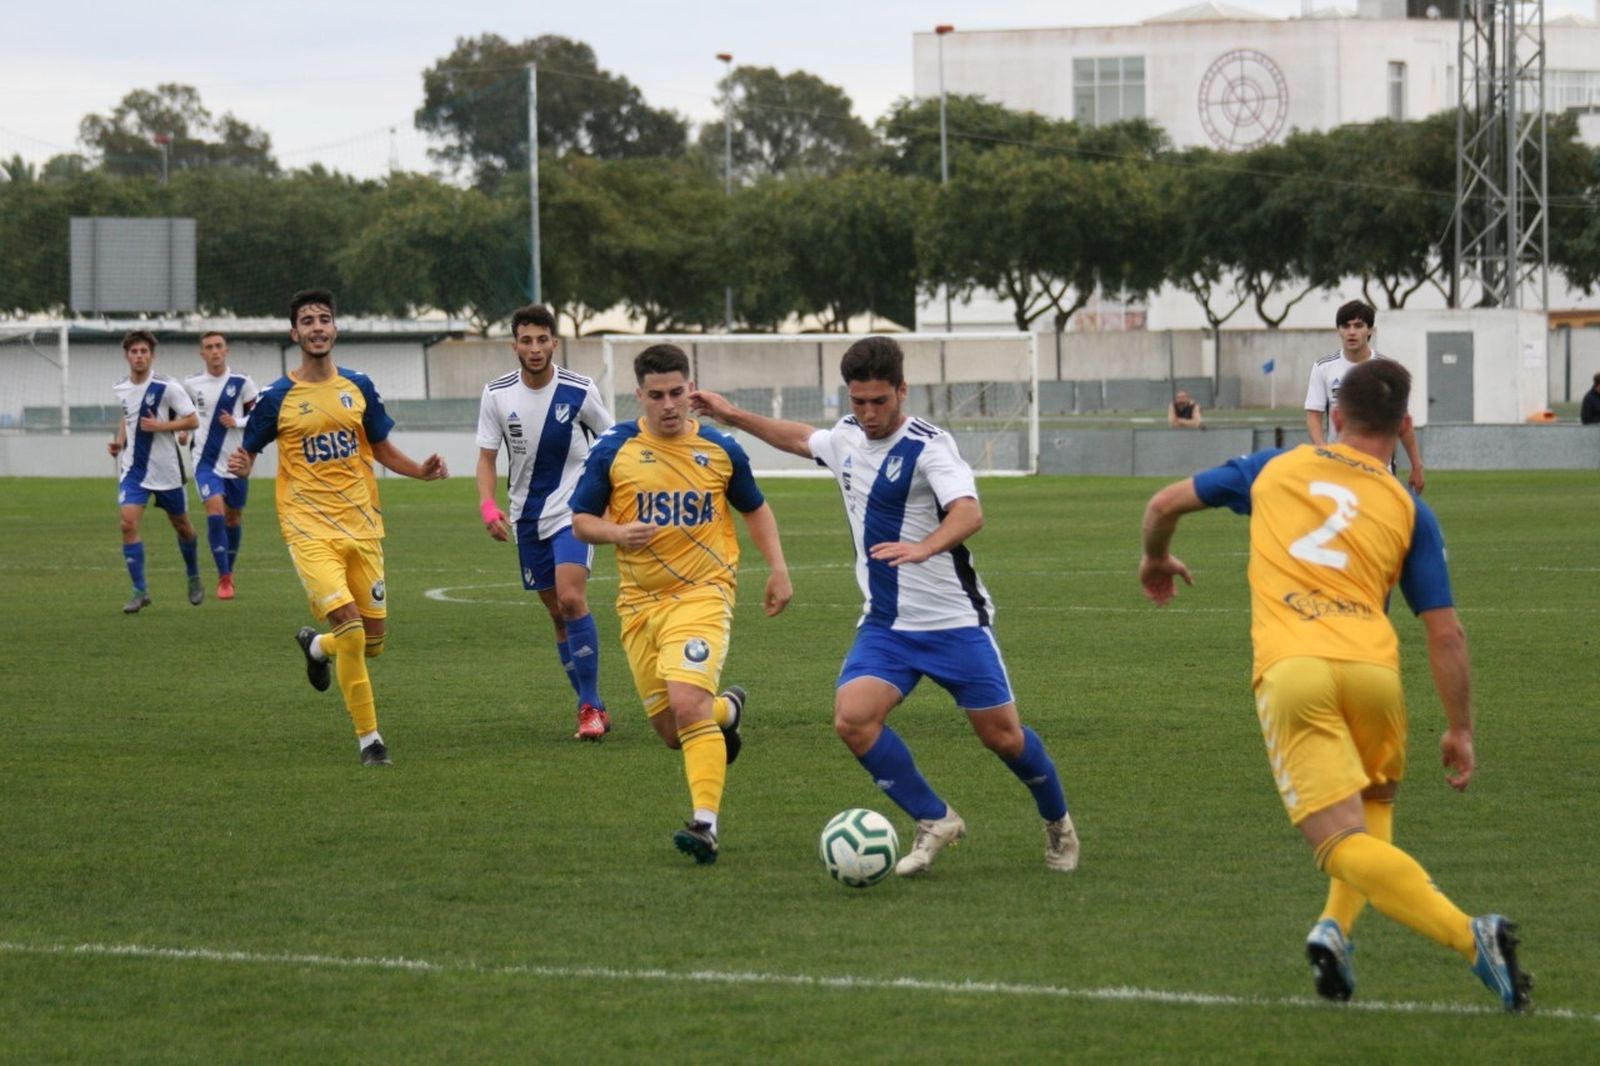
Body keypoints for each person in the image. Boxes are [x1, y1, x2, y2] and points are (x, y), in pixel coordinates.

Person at [1138, 358, 1531, 1012]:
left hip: (1295, 670)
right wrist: (1460, 728)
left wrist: (1155, 555)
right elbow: (1447, 634)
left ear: (1336, 417)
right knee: (1371, 807)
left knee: (1339, 843)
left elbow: (1162, 505)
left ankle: (1472, 937)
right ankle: (1336, 930)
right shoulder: (1410, 509)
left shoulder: (1275, 466)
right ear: (1405, 425)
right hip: (1374, 674)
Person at [690, 336, 1078, 877]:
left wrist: (924, 546)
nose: (869, 414)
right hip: (887, 625)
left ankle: (1057, 820)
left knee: (1003, 737)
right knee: (853, 720)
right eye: (858, 402)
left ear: (902, 391)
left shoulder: (930, 447)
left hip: (954, 623)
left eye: (879, 402)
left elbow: (969, 513)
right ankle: (934, 818)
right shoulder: (847, 436)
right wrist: (732, 415)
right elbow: (803, 439)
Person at [570, 344, 792, 864]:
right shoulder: (614, 449)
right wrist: (618, 531)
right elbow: (582, 520)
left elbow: (755, 508)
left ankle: (705, 825)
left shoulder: (720, 450)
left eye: (677, 394)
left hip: (703, 594)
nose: (669, 405)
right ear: (639, 395)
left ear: (691, 390)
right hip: (639, 605)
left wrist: (779, 568)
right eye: (657, 396)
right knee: (673, 732)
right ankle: (727, 710)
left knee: (688, 706)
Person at [228, 289, 448, 767]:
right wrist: (242, 465)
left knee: (373, 642)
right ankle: (371, 741)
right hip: (307, 528)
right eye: (307, 321)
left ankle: (316, 646)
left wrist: (420, 471)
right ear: (294, 334)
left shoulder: (359, 386)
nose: (316, 327)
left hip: (363, 525)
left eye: (323, 319)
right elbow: (249, 450)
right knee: (350, 628)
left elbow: (382, 447)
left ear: (335, 328)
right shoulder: (275, 398)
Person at [475, 304, 615, 740]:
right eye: (526, 340)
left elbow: (611, 443)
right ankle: (592, 705)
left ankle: (589, 707)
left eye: (542, 340)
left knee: (573, 600)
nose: (535, 349)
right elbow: (486, 457)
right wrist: (488, 506)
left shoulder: (580, 389)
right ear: (514, 344)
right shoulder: (497, 394)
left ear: (555, 343)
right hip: (526, 518)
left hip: (574, 513)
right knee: (557, 615)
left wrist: (608, 502)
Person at [109, 329, 203, 613]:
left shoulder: (168, 387)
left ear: (151, 355)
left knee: (183, 527)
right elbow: (129, 418)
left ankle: (193, 575)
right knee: (127, 523)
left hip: (168, 473)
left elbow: (193, 420)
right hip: (135, 471)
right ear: (127, 356)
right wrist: (119, 442)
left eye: (144, 352)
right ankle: (140, 590)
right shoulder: (121, 387)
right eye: (134, 352)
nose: (139, 356)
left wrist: (161, 427)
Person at [1306, 300, 1425, 493]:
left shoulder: (1386, 369)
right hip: (1338, 463)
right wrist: (1322, 449)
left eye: (1358, 326)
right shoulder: (1323, 367)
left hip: (1380, 466)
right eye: (1346, 326)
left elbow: (1402, 420)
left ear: (1370, 330)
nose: (1351, 332)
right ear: (1339, 331)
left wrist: (1416, 465)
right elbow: (1313, 414)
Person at [183, 331, 258, 601]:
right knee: (215, 510)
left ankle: (230, 570)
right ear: (202, 353)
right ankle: (224, 577)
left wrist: (236, 422)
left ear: (226, 351)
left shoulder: (242, 382)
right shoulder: (191, 384)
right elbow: (180, 412)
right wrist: (181, 431)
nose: (214, 351)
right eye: (208, 347)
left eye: (218, 346)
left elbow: (259, 417)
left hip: (236, 462)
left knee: (233, 517)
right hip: (205, 462)